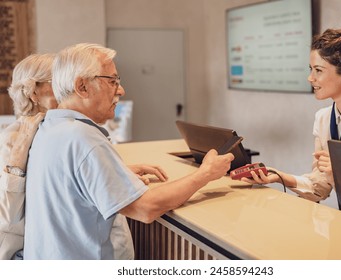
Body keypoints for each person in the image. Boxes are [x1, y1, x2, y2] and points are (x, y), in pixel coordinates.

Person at [23, 43, 234, 259]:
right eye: (112, 81)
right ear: (82, 87)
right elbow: (145, 208)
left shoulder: (49, 128)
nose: (121, 90)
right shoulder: (83, 138)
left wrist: (114, 174)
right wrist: (206, 173)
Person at [241, 28, 341, 202]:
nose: (310, 78)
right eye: (311, 69)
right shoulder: (323, 119)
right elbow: (320, 187)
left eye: (318, 70)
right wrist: (276, 175)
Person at [0, 53, 57, 259]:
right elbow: (10, 213)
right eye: (57, 81)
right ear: (34, 92)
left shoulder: (56, 130)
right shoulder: (14, 138)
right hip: (20, 251)